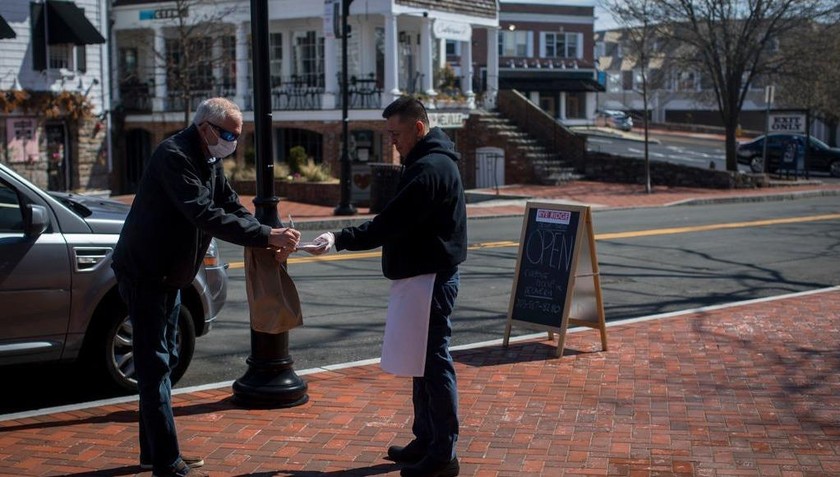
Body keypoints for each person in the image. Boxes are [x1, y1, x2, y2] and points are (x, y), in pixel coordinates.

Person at [111, 97, 300, 477]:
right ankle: (166, 462)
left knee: (163, 362)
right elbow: (204, 213)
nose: (233, 142)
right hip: (147, 273)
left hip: (171, 275)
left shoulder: (208, 158)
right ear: (206, 128)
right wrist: (266, 235)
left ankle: (154, 452)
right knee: (155, 366)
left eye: (237, 136)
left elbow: (228, 204)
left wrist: (266, 235)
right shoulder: (174, 156)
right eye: (229, 134)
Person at [308, 96, 467, 477]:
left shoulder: (429, 169)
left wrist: (340, 237)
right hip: (421, 275)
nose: (392, 141)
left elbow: (388, 223)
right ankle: (426, 439)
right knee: (420, 362)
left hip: (430, 278)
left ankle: (443, 454)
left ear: (417, 128)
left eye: (396, 134)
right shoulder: (426, 162)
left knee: (433, 363)